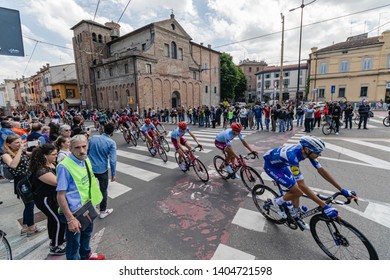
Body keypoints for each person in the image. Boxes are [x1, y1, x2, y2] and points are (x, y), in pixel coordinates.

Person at [263, 135, 357, 230]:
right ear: (307, 150)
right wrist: (324, 206)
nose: (319, 155)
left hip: (282, 165)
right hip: (271, 167)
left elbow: (321, 171)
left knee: (296, 190)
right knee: (298, 191)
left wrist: (342, 190)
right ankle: (277, 202)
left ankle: (295, 214)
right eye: (318, 152)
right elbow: (302, 185)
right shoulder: (293, 156)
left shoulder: (308, 152)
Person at [56, 134, 105, 260]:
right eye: (77, 147)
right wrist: (70, 219)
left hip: (87, 207)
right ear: (70, 148)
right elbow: (60, 195)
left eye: (84, 146)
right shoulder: (64, 166)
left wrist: (94, 204)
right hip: (74, 213)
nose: (82, 150)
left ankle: (86, 255)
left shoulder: (85, 159)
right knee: (73, 245)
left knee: (87, 235)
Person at [1, 134, 46, 236]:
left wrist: (37, 147)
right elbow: (13, 165)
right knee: (29, 205)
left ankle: (25, 226)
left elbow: (34, 155)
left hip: (29, 180)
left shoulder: (20, 151)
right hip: (21, 183)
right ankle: (31, 228)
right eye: (17, 143)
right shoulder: (6, 155)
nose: (19, 144)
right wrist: (20, 150)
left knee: (29, 204)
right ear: (8, 144)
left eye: (21, 142)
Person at [29, 144, 66, 255]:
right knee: (58, 220)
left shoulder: (51, 164)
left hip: (52, 198)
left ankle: (54, 239)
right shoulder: (41, 171)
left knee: (53, 219)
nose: (55, 156)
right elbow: (58, 182)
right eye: (53, 154)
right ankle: (56, 246)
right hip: (45, 199)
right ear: (44, 155)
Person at [87, 123, 117, 219]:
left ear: (103, 129)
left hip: (90, 168)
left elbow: (87, 152)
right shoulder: (111, 143)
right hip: (102, 169)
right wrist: (113, 174)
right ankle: (102, 211)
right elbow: (113, 160)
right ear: (112, 132)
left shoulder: (93, 138)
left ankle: (91, 208)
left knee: (90, 188)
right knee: (103, 190)